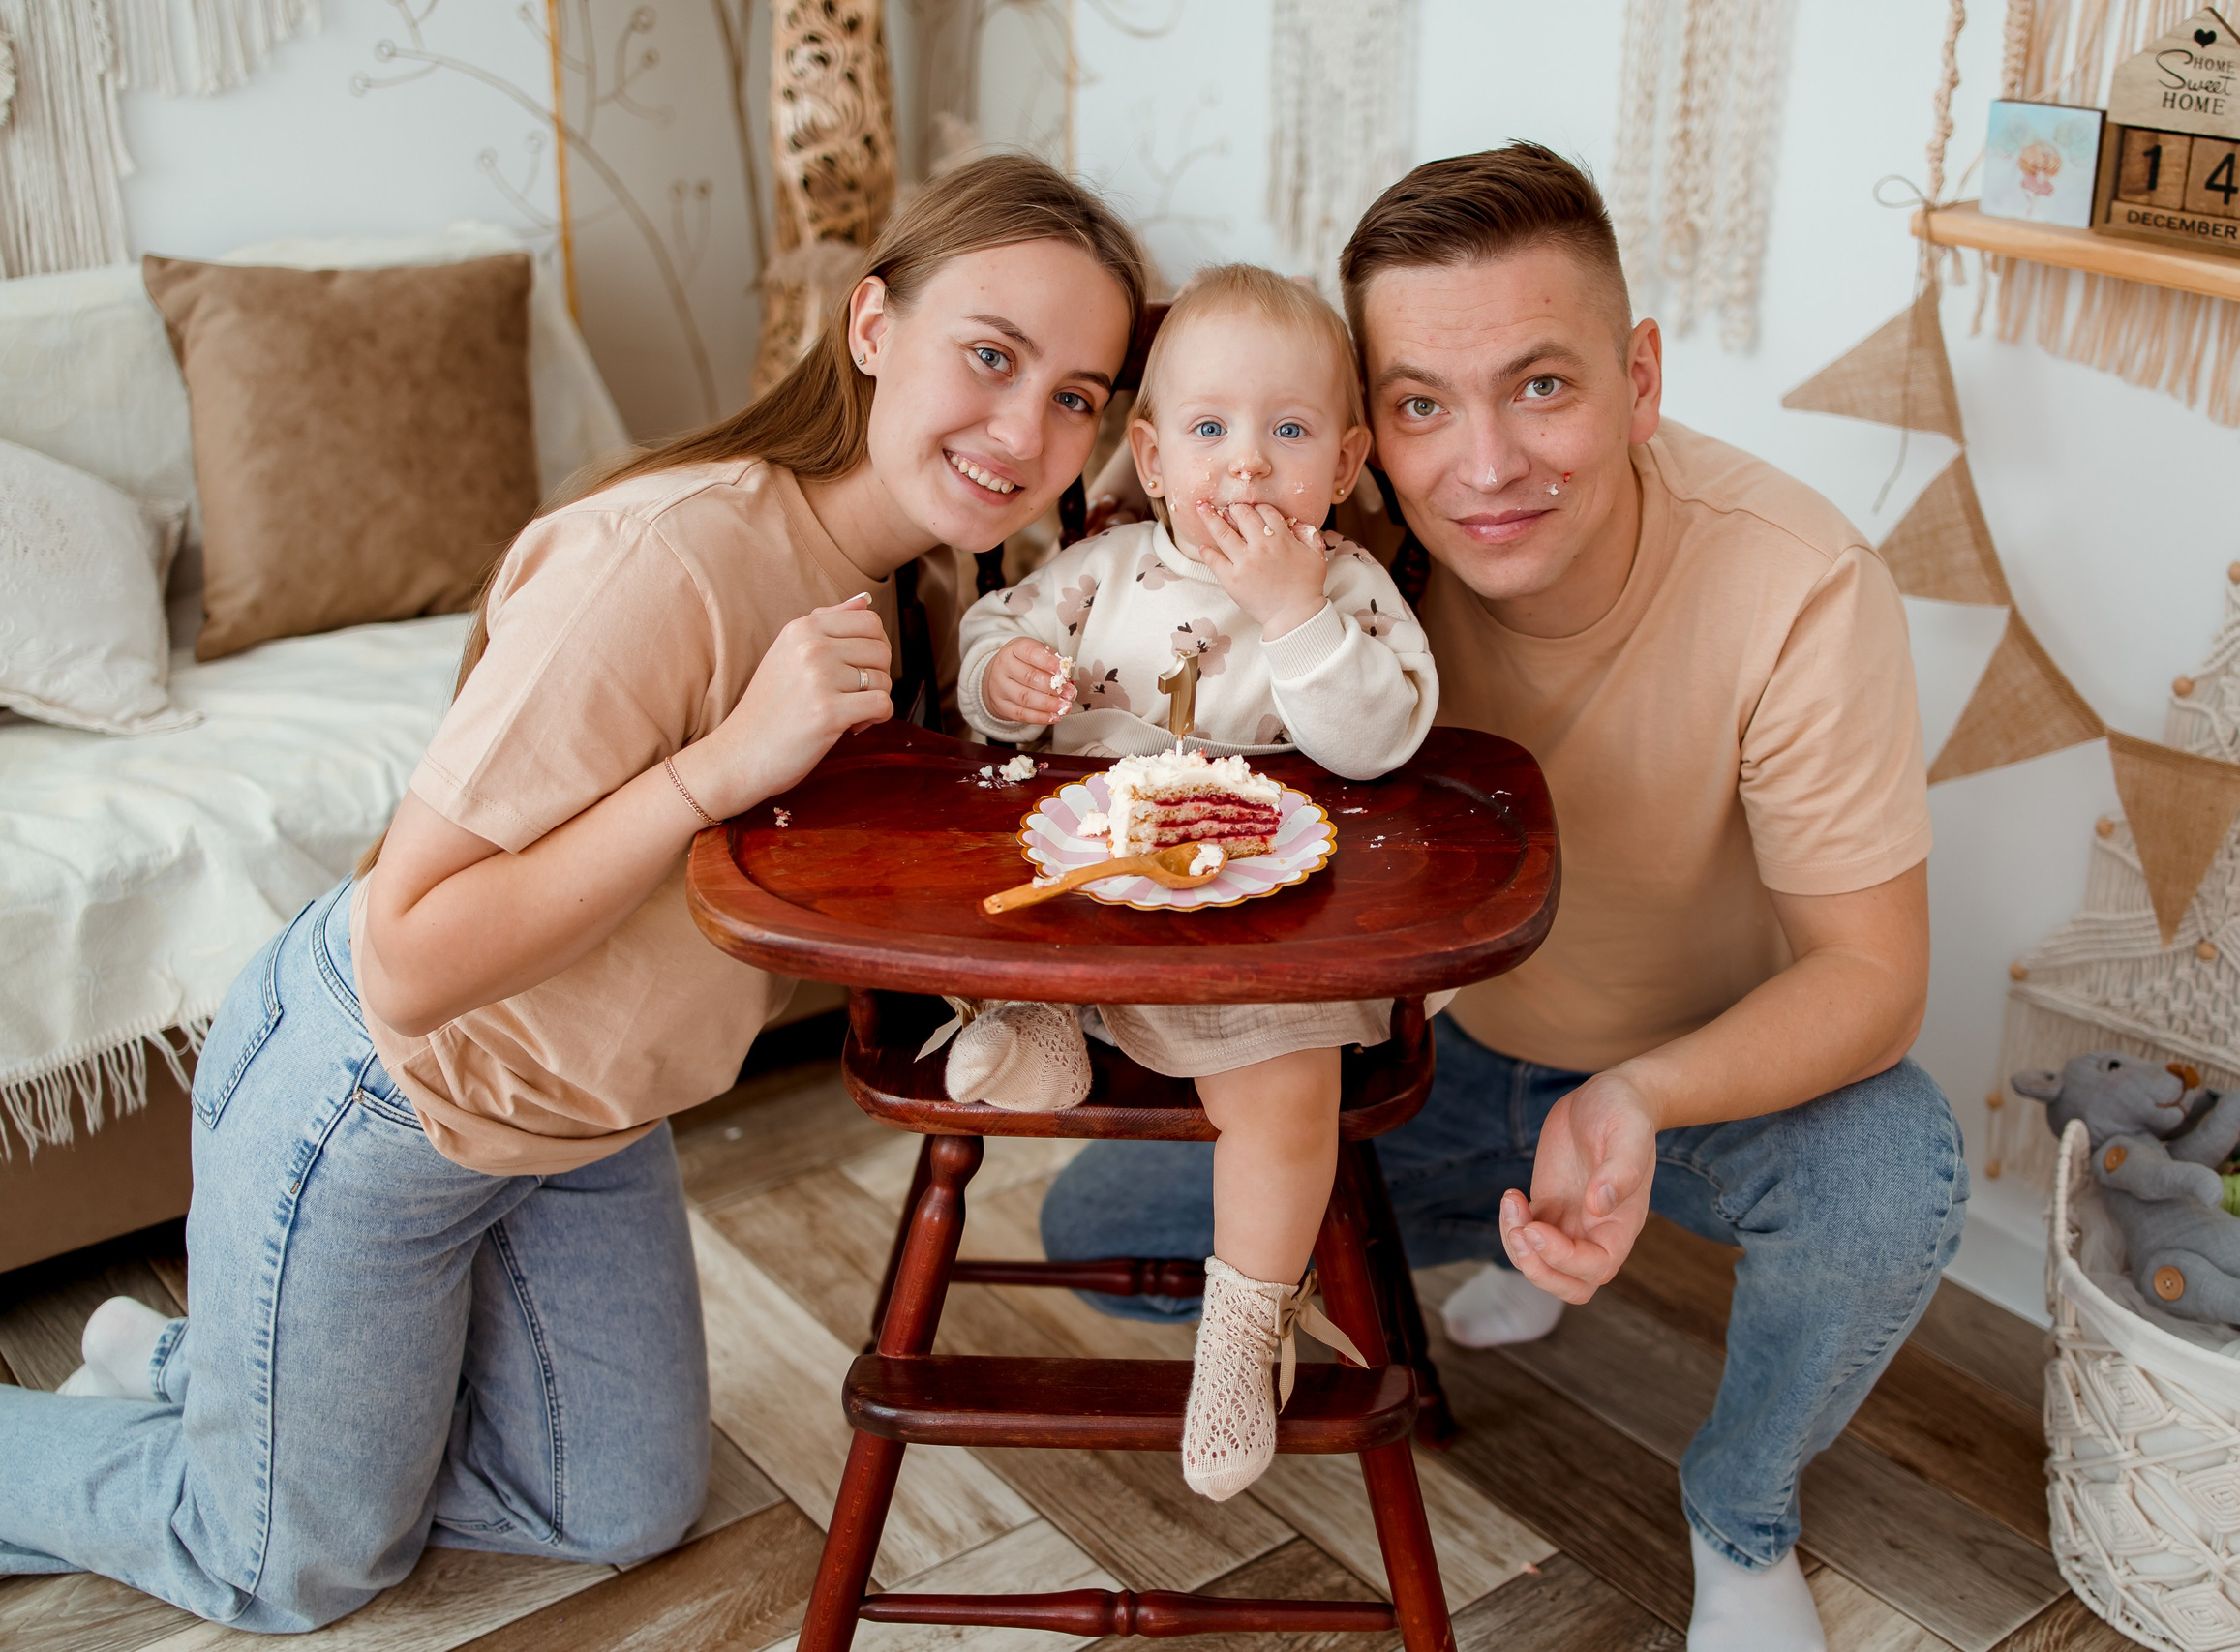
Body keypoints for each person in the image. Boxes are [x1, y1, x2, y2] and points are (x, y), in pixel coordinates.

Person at [0, 154, 1147, 1633]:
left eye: (1078, 395)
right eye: (991, 355)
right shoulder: (670, 557)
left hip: (582, 1121)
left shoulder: (903, 593)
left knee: (617, 1507)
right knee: (287, 1561)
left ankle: (240, 1385)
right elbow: (411, 961)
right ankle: (248, 1424)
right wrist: (722, 763)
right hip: (385, 1092)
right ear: (872, 327)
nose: (1027, 429)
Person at [1042, 143, 1964, 1652]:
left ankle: (1741, 1510)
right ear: (1358, 441)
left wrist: (1640, 1098)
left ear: (1640, 378)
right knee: (1098, 1230)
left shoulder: (1800, 582)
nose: (1484, 463)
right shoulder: (1339, 558)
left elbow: (1874, 971)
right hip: (1436, 1056)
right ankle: (1498, 1219)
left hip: (1690, 1060)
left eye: (1542, 384)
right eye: (1418, 405)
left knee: (1896, 1165)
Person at [953, 264, 1435, 1501]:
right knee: (1007, 924)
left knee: (1288, 1094)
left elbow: (1382, 737)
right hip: (1089, 894)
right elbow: (993, 625)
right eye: (1211, 431)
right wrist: (1002, 677)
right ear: (1154, 458)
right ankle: (1035, 1032)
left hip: (1258, 928)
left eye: (1287, 432)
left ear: (1343, 463)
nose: (1247, 466)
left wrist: (1290, 613)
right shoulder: (1101, 574)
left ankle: (1244, 1323)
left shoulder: (1346, 592)